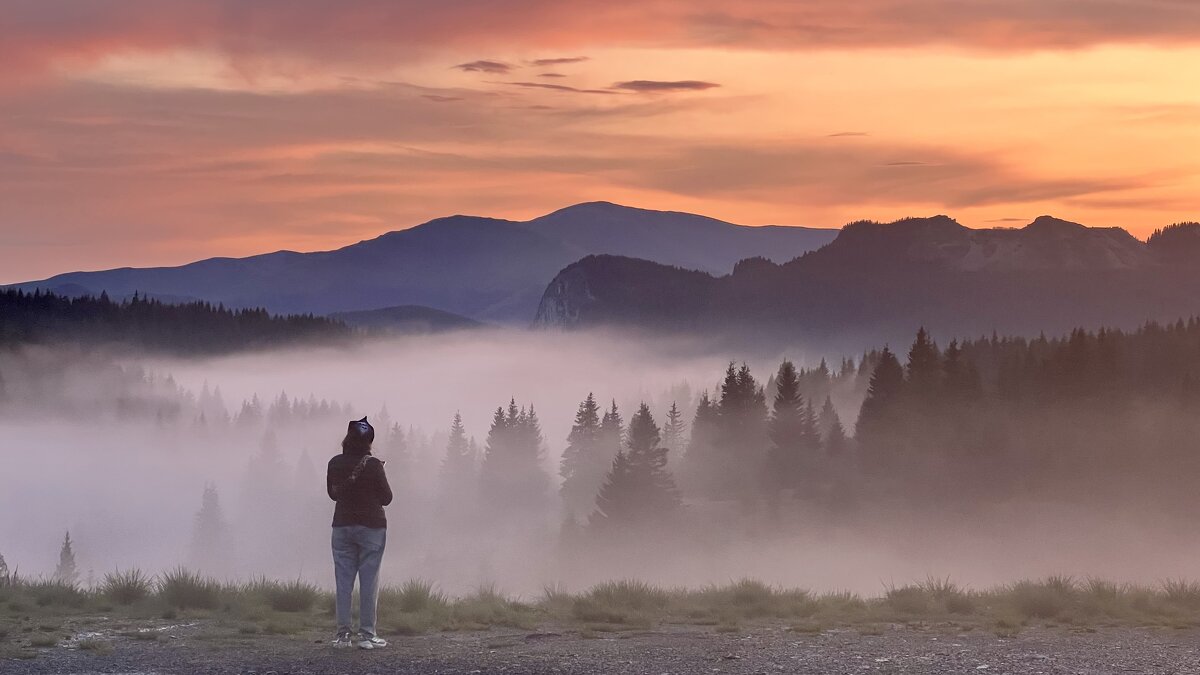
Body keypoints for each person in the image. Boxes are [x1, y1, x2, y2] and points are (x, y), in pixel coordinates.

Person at [327, 416, 393, 649]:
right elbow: (387, 498)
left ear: (347, 438)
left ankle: (342, 636)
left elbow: (333, 494)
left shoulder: (334, 463)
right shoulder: (373, 465)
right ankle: (367, 635)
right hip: (372, 527)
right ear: (369, 442)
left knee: (343, 583)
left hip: (342, 526)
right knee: (369, 581)